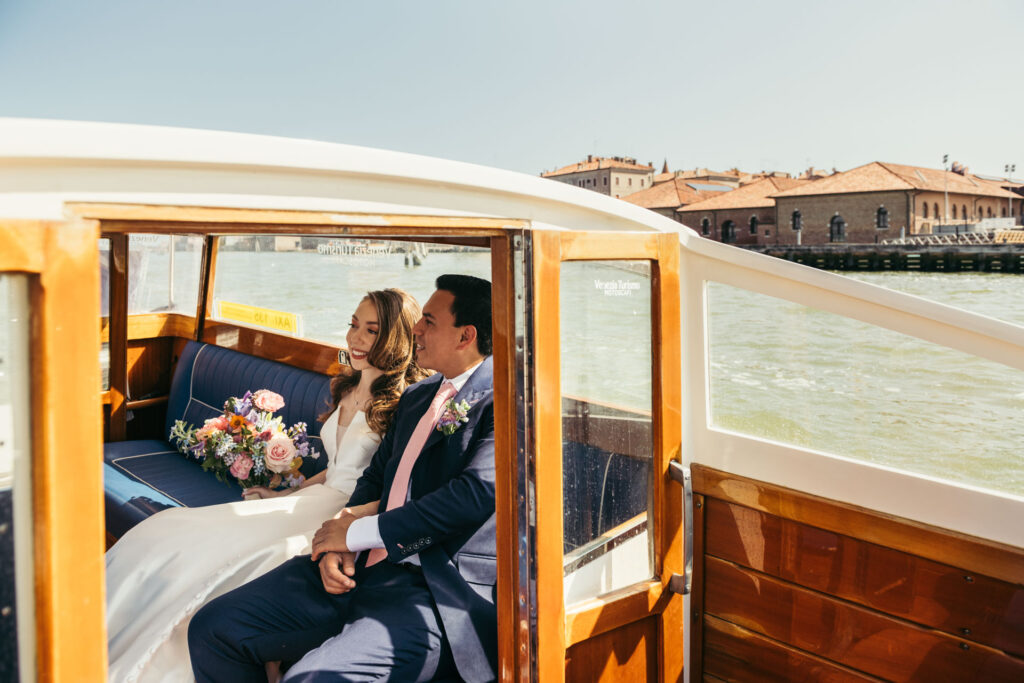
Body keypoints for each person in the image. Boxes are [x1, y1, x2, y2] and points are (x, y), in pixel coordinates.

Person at [105, 289, 428, 683]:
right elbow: (337, 467)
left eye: (371, 331)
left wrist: (346, 525)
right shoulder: (346, 386)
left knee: (252, 555)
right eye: (353, 325)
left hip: (345, 514)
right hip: (313, 497)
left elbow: (386, 485)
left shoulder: (403, 404)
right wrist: (285, 494)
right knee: (169, 528)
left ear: (395, 338)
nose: (355, 339)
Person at [188, 274, 496, 683]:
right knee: (214, 628)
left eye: (429, 321)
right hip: (360, 570)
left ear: (466, 336)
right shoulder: (420, 396)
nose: (416, 330)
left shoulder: (505, 402)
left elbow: (473, 496)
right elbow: (376, 476)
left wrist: (357, 535)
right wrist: (342, 541)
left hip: (429, 589)